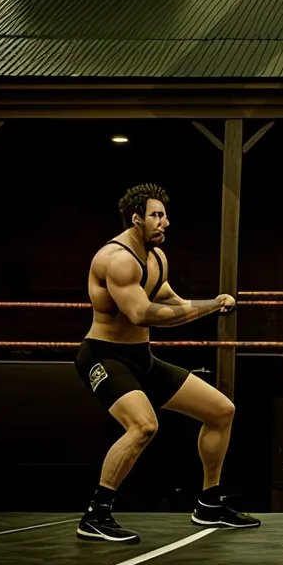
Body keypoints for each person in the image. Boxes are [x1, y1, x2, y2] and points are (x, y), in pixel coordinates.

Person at [74, 183, 260, 543]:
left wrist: (212, 301)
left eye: (164, 215)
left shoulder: (156, 258)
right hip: (104, 356)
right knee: (143, 427)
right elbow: (142, 313)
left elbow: (171, 300)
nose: (165, 223)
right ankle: (96, 515)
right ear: (136, 218)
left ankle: (208, 504)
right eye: (157, 216)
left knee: (221, 411)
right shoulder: (117, 259)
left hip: (141, 358)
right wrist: (210, 306)